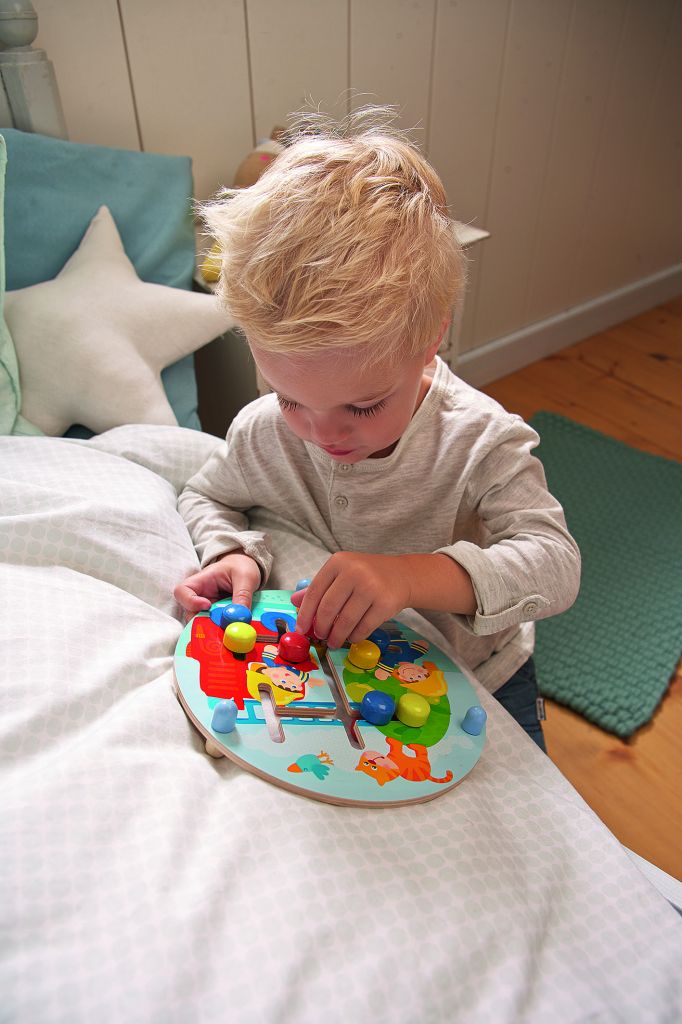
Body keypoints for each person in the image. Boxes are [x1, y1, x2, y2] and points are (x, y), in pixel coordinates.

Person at [174, 107, 581, 751]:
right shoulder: (263, 432)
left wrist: (410, 576)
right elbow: (206, 492)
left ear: (431, 335)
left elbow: (555, 566)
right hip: (339, 675)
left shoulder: (481, 442)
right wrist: (228, 553)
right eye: (288, 397)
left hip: (482, 673)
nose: (319, 431)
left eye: (362, 407)